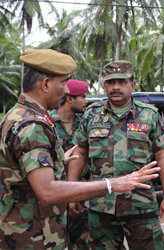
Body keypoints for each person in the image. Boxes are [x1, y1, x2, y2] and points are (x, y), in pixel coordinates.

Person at [0, 49, 160, 250]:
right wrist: (112, 184)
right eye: (64, 82)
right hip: (33, 237)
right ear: (46, 84)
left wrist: (56, 160)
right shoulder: (33, 124)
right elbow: (47, 191)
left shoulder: (15, 115)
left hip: (20, 229)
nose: (67, 91)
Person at [68, 61, 164, 250]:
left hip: (140, 206)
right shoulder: (91, 115)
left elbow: (163, 156)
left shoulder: (149, 115)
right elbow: (80, 154)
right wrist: (71, 193)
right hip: (100, 207)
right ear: (104, 86)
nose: (116, 87)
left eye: (122, 82)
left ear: (132, 85)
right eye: (111, 82)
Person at [49, 79, 90, 249]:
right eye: (83, 97)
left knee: (83, 243)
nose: (86, 101)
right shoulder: (46, 123)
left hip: (80, 196)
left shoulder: (86, 123)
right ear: (70, 99)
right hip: (53, 196)